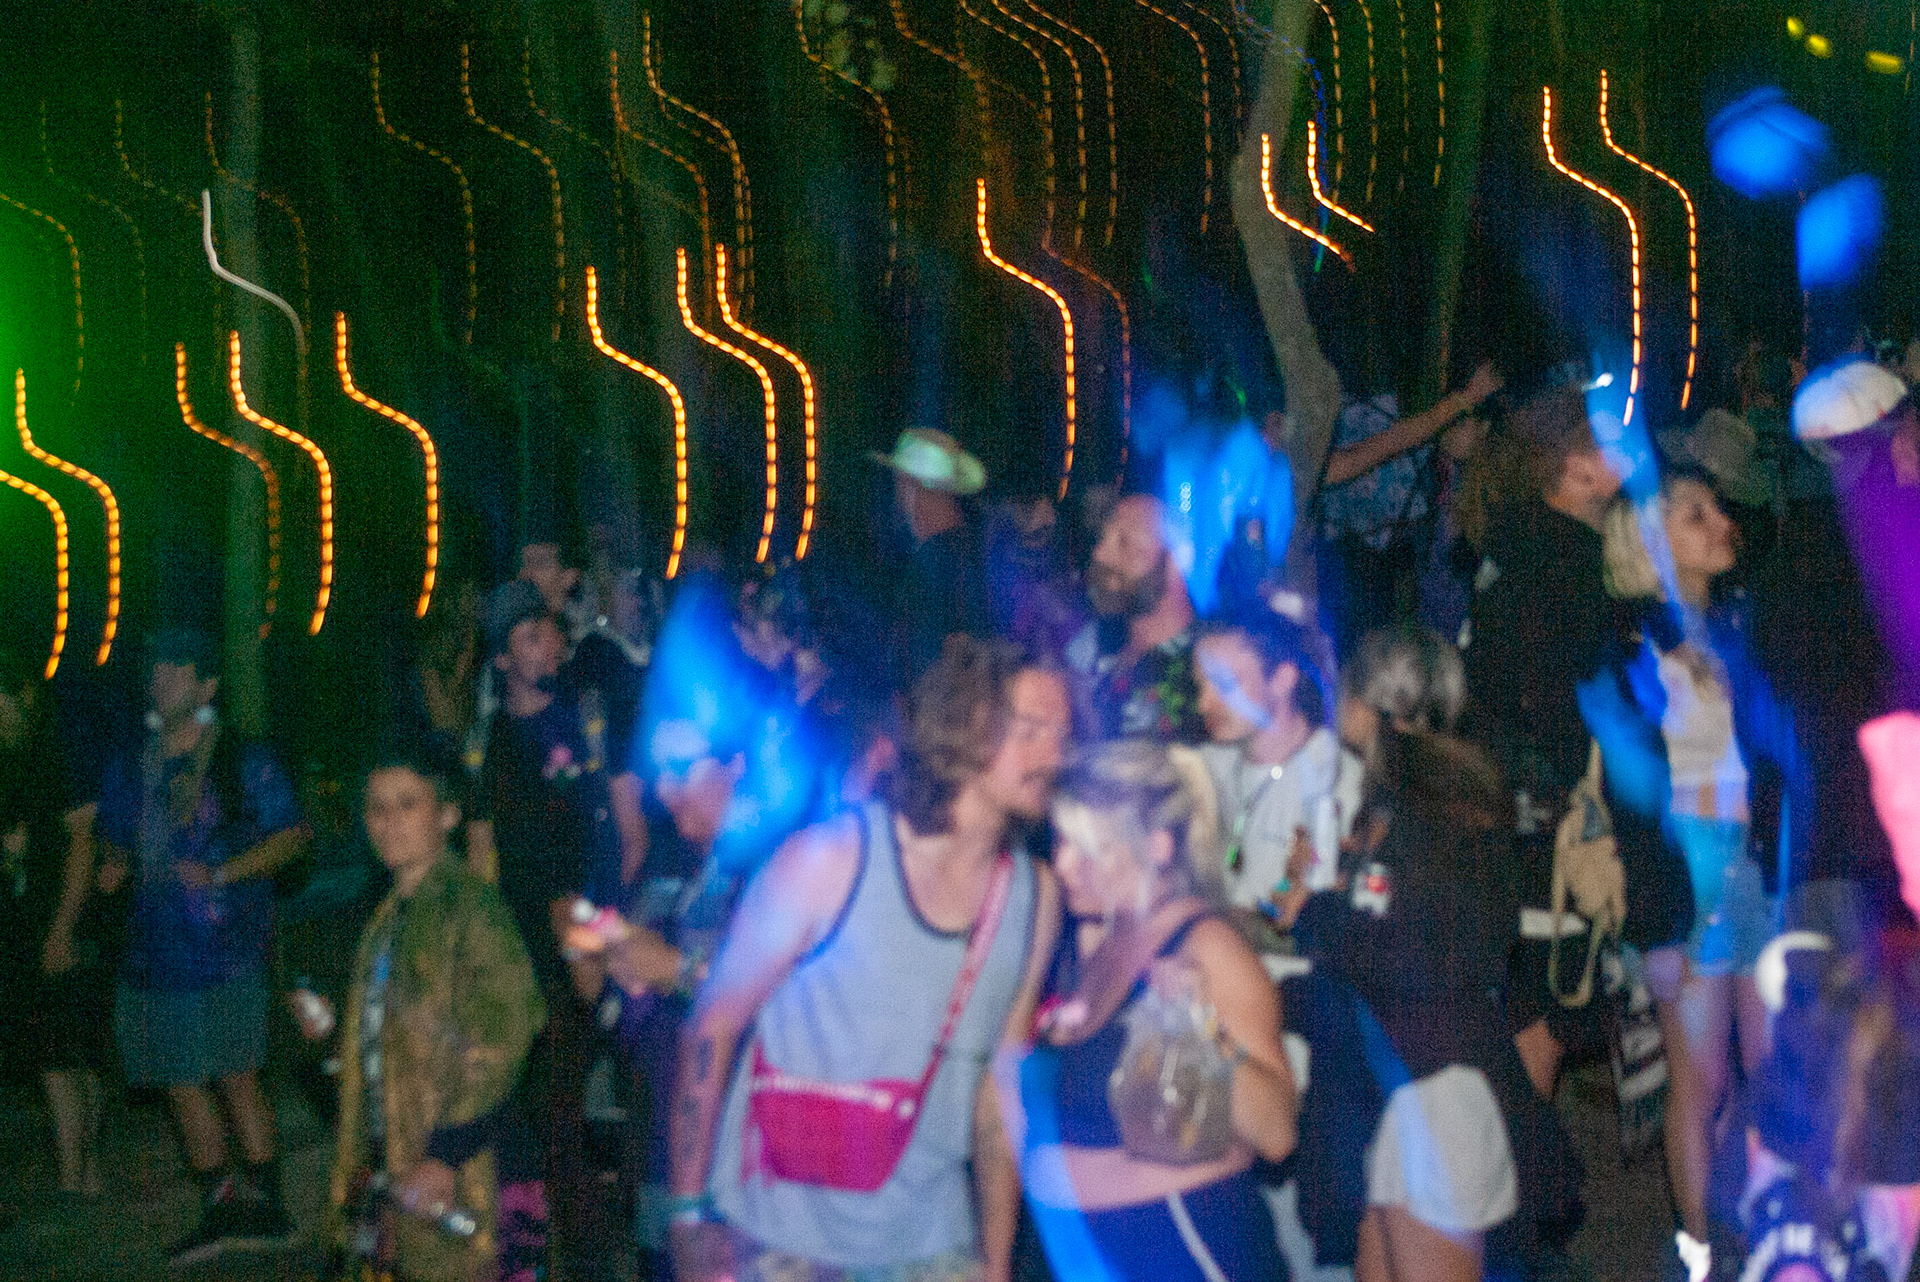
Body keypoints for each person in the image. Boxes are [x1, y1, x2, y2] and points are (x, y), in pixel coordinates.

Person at [668, 635, 1068, 1282]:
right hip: (779, 1240)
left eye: (1061, 735)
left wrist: (995, 1264)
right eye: (1031, 731)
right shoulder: (828, 861)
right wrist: (687, 1215)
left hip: (931, 1245)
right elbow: (713, 1026)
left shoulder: (1034, 896)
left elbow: (1001, 1095)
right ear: (967, 727)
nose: (1054, 754)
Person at [1297, 626, 1579, 1282]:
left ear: (1376, 704)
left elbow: (1415, 954)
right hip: (1412, 1084)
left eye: (1347, 688)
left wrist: (1318, 911)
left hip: (1438, 1092)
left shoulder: (1421, 816)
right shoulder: (1431, 801)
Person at [1592, 470, 1811, 1275]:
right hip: (1686, 871)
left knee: (1771, 1068)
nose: (1720, 520)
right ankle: (1703, 1254)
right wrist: (1656, 923)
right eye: (1696, 514)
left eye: (1716, 507)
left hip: (1753, 864)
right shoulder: (1629, 646)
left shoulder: (1736, 628)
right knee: (1701, 1078)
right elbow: (1632, 798)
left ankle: (1762, 1235)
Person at [1009, 739, 1297, 1280]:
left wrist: (1203, 1023)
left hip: (1193, 1257)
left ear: (1158, 848)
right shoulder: (1100, 941)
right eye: (1060, 841)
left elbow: (1277, 1132)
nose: (1063, 865)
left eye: (1089, 849)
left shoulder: (1207, 947)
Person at [94, 629, 306, 1264]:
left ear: (207, 685)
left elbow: (293, 836)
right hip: (152, 954)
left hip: (226, 949)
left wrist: (222, 873)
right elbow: (111, 838)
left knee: (236, 1076)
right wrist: (112, 863)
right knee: (181, 1084)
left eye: (176, 669)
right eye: (155, 668)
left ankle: (269, 1209)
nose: (160, 679)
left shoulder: (243, 760)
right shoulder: (133, 765)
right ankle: (222, 1210)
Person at [314, 742, 546, 1282]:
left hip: (463, 1162)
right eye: (376, 807)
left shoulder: (472, 910)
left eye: (407, 804)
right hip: (397, 1155)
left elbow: (505, 1034)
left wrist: (447, 1153)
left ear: (447, 814)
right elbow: (395, 1038)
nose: (388, 821)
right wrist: (334, 1034)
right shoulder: (387, 916)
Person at [466, 579, 643, 1275]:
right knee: (550, 1109)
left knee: (619, 1098)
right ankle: (575, 1250)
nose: (548, 647)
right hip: (528, 953)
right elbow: (483, 858)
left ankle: (622, 1237)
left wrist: (603, 936)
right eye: (529, 637)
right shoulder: (489, 742)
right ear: (502, 657)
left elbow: (629, 836)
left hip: (597, 940)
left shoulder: (590, 721)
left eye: (550, 633)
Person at [1461, 384, 1625, 1099]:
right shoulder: (1569, 560)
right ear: (1577, 469)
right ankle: (1517, 1155)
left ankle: (1506, 1144)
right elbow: (1552, 696)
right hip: (1544, 807)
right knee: (1547, 1005)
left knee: (1524, 1000)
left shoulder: (1516, 543)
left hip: (1497, 795)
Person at [0, 654, 110, 1199]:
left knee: (74, 1049)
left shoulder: (58, 753)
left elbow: (83, 845)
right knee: (49, 1052)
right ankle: (77, 1171)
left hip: (69, 917)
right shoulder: (8, 763)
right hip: (21, 924)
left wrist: (63, 928)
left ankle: (82, 1169)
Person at [1190, 611, 1362, 932]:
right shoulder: (1201, 769)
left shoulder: (1339, 780)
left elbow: (1308, 914)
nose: (1204, 703)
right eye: (1200, 685)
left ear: (1282, 679)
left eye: (1225, 684)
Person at [1315, 364, 1503, 657]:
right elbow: (1389, 444)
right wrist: (1464, 400)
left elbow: (1394, 441)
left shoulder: (1460, 478)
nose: (1476, 435)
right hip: (1349, 583)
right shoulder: (1324, 460)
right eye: (1467, 424)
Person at [1066, 494, 1204, 744]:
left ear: (1176, 560)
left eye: (1124, 542)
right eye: (1102, 538)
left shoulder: (1209, 662)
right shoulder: (1088, 646)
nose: (1099, 554)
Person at [872, 427, 993, 687]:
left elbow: (921, 661)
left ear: (911, 487)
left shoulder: (934, 564)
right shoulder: (973, 550)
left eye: (899, 482)